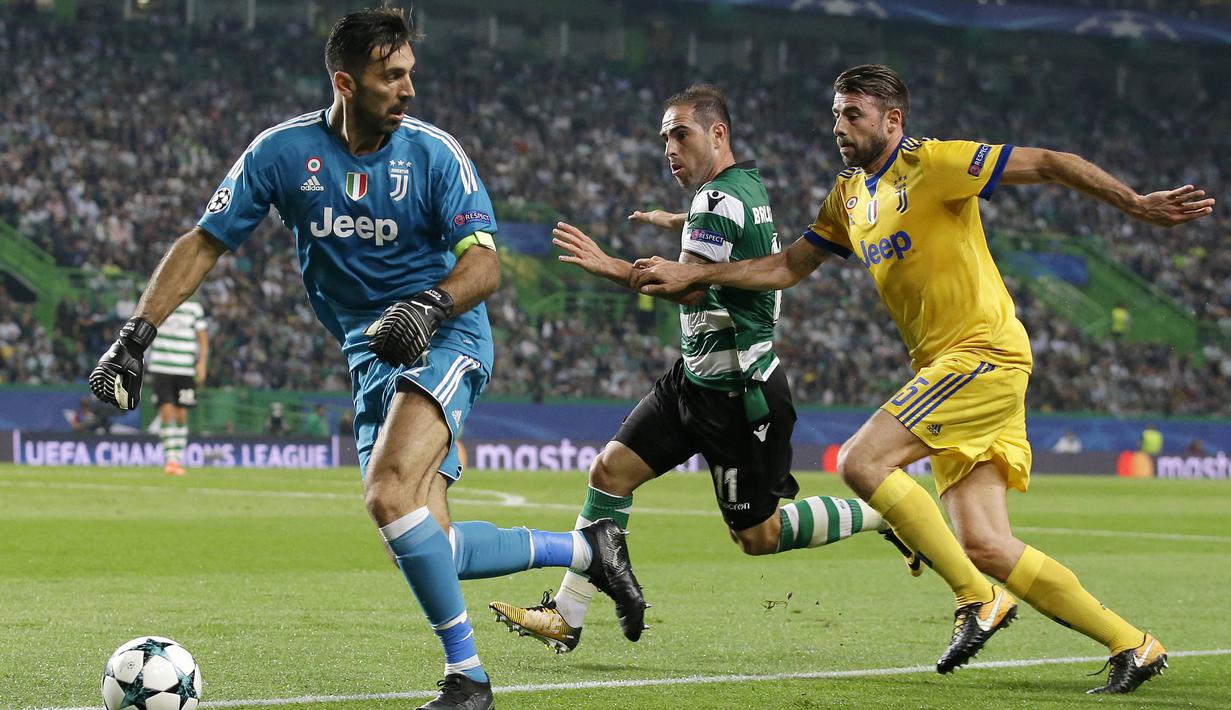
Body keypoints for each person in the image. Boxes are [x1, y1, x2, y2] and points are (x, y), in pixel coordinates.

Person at [87, 9, 644, 709]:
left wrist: (429, 306)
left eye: (410, 72)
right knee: (423, 541)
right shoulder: (281, 153)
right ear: (346, 83)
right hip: (370, 357)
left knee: (387, 493)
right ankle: (590, 550)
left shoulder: (436, 154)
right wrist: (134, 335)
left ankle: (468, 680)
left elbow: (484, 267)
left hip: (447, 336)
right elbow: (204, 241)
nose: (408, 88)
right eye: (391, 76)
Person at [632, 64, 1213, 694]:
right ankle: (1134, 644)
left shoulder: (935, 164)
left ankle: (974, 600)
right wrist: (696, 270)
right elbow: (786, 267)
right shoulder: (849, 198)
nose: (839, 127)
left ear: (892, 120)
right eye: (835, 115)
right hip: (950, 369)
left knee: (861, 461)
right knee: (987, 544)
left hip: (980, 355)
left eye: (852, 114)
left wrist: (1133, 202)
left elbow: (1049, 162)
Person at [490, 85, 913, 654]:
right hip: (694, 378)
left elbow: (684, 288)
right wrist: (676, 222)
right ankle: (567, 614)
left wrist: (608, 265)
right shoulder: (744, 187)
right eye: (664, 137)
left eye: (680, 133)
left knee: (758, 536)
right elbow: (728, 231)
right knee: (608, 473)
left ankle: (881, 511)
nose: (669, 147)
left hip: (741, 397)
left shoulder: (717, 202)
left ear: (718, 134)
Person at [146, 298, 208, 475]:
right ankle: (171, 460)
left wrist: (202, 363)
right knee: (166, 411)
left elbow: (203, 338)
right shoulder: (161, 302)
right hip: (161, 367)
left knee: (181, 414)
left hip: (185, 369)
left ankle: (178, 458)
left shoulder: (194, 308)